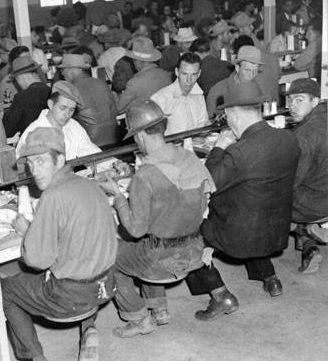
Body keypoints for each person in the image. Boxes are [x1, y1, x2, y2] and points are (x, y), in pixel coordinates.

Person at [1, 126, 117, 361]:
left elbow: (37, 261)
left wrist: (27, 232)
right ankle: (89, 328)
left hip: (71, 298)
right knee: (81, 257)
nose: (35, 170)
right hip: (106, 287)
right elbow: (74, 239)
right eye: (30, 163)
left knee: (5, 289)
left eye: (41, 161)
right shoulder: (89, 185)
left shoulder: (52, 196)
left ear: (60, 160)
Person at [99, 99, 215, 336]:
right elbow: (203, 203)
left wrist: (118, 196)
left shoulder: (145, 176)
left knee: (109, 256)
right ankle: (158, 307)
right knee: (149, 240)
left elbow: (135, 230)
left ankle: (138, 317)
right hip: (193, 250)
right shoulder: (189, 157)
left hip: (161, 260)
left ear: (140, 136)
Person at [188, 81, 300, 322]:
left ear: (232, 114)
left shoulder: (239, 152)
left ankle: (219, 295)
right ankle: (271, 278)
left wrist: (218, 148)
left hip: (239, 237)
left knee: (184, 232)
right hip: (276, 230)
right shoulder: (289, 139)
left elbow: (208, 182)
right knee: (252, 208)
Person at [287, 78, 328, 273]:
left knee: (265, 200)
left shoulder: (303, 135)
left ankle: (304, 230)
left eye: (299, 100)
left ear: (315, 101)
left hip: (316, 203)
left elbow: (291, 182)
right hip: (324, 193)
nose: (292, 106)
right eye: (290, 100)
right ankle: (309, 245)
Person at [58, 54, 120, 146]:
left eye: (63, 70)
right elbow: (115, 108)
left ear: (71, 70)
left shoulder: (70, 89)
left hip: (90, 143)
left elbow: (61, 119)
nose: (62, 73)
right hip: (115, 137)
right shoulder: (101, 83)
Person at [151, 53, 209, 137]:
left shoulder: (199, 95)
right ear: (176, 72)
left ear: (199, 73)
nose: (189, 80)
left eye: (194, 74)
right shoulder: (160, 98)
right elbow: (153, 137)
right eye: (185, 74)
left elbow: (203, 124)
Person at [206, 46, 266, 119]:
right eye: (247, 70)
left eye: (255, 71)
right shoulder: (218, 92)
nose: (251, 76)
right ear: (237, 68)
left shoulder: (256, 86)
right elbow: (211, 124)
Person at [118, 37, 171, 112]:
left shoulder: (134, 83)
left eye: (134, 60)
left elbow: (118, 107)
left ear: (138, 61)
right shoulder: (166, 75)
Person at [2, 56, 50, 138]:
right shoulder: (52, 91)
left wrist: (6, 115)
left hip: (31, 145)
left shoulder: (21, 97)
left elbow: (8, 130)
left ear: (20, 78)